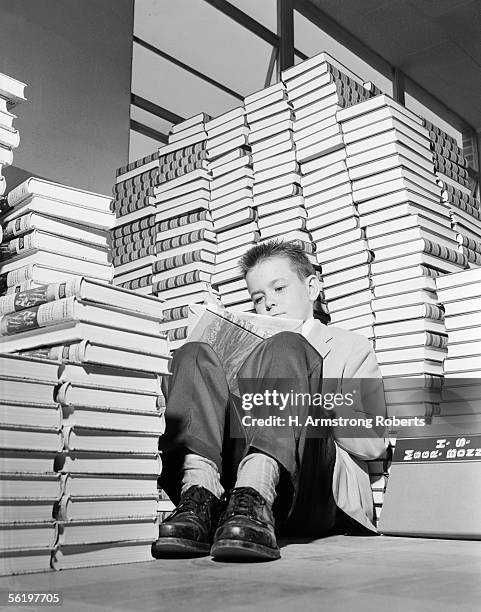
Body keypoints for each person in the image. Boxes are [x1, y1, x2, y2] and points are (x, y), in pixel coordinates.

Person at [152, 240, 388, 561]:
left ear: (312, 287)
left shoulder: (352, 347)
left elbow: (374, 444)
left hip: (312, 491)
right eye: (258, 298)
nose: (270, 304)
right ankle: (200, 496)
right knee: (194, 354)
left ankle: (257, 489)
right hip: (236, 499)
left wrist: (309, 393)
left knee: (286, 346)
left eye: (279, 289)